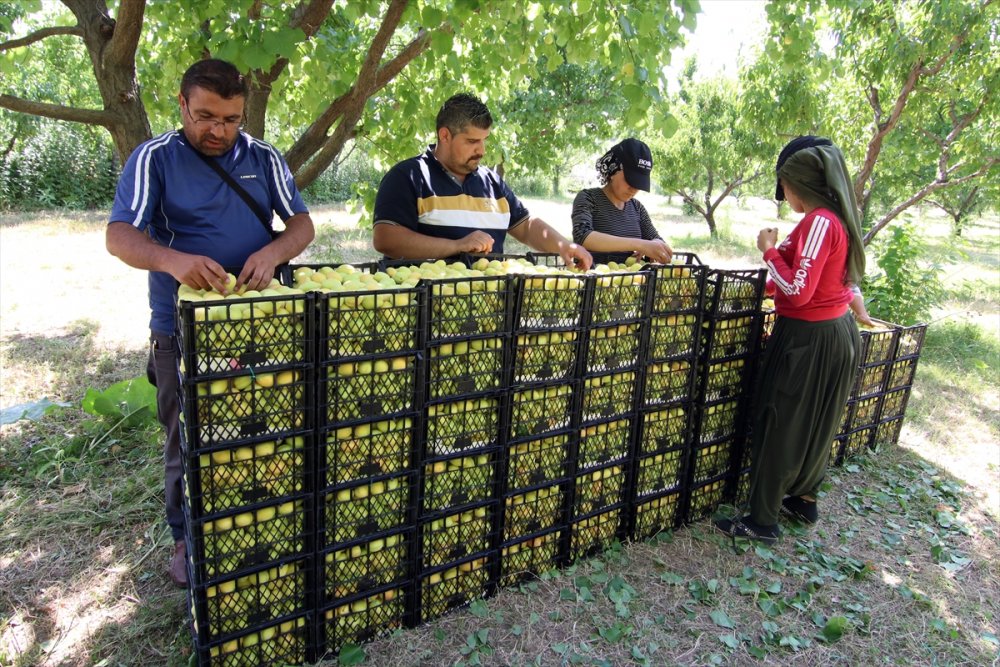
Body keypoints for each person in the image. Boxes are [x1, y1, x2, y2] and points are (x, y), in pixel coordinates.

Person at [106, 59, 315, 587]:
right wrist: (175, 261)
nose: (218, 130)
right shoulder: (154, 158)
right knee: (188, 435)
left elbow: (301, 223)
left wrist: (272, 254)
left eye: (231, 119)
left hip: (259, 320)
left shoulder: (263, 158)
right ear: (182, 105)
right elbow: (120, 235)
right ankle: (185, 537)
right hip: (181, 328)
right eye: (205, 117)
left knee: (265, 426)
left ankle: (266, 517)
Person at [715, 135, 865, 543]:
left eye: (782, 185)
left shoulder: (819, 221)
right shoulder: (839, 217)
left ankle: (762, 520)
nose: (782, 194)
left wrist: (767, 250)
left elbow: (798, 289)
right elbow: (827, 279)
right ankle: (803, 497)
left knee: (779, 420)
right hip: (835, 332)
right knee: (817, 421)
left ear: (797, 182)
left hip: (807, 337)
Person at [372, 93, 592, 270]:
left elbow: (526, 227)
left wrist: (564, 245)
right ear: (445, 135)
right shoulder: (408, 176)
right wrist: (458, 246)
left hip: (489, 312)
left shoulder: (492, 183)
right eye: (472, 141)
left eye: (484, 140)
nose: (482, 150)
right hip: (427, 313)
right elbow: (386, 240)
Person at [571, 138, 673, 265]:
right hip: (594, 281)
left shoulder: (637, 208)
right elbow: (583, 236)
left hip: (631, 282)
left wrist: (657, 244)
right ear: (613, 170)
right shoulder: (588, 198)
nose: (634, 189)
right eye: (630, 180)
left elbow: (655, 238)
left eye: (639, 184)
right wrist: (641, 244)